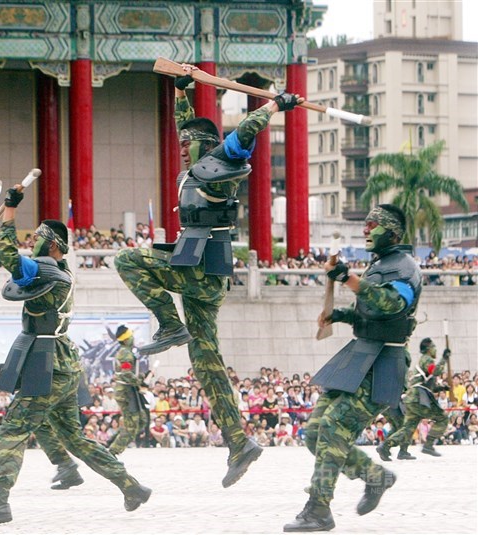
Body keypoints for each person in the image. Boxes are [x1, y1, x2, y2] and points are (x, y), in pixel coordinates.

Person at [115, 64, 302, 488]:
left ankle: (168, 324)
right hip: (196, 264)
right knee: (207, 363)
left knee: (127, 261)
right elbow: (189, 127)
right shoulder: (197, 166)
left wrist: (273, 104)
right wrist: (182, 91)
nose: (182, 151)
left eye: (188, 146)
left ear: (205, 146)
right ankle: (239, 442)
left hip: (202, 269)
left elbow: (245, 133)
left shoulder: (222, 161)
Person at [0, 186, 150, 526]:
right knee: (75, 439)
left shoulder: (48, 270)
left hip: (47, 362)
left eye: (39, 239)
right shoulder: (58, 272)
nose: (33, 242)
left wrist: (10, 212)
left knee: (12, 431)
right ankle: (131, 486)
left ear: (55, 246)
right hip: (60, 363)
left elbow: (10, 259)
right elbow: (12, 259)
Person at [284, 204, 422, 532]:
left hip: (383, 362)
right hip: (360, 355)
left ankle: (318, 508)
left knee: (333, 429)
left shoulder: (404, 267)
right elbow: (372, 313)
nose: (365, 229)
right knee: (316, 433)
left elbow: (392, 305)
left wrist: (348, 278)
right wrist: (341, 315)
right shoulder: (382, 264)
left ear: (392, 232)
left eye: (372, 224)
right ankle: (376, 476)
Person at [378, 338, 451, 460]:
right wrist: (444, 358)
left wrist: (441, 388)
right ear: (429, 349)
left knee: (407, 429)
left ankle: (385, 446)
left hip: (412, 399)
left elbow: (429, 384)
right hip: (418, 398)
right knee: (442, 417)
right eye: (434, 348)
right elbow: (436, 371)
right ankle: (428, 445)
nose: (435, 350)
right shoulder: (427, 359)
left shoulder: (423, 361)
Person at [107, 325, 150, 456]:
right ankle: (112, 452)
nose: (133, 338)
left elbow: (129, 372)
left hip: (129, 390)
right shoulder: (125, 353)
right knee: (132, 426)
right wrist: (140, 382)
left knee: (141, 420)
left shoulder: (127, 352)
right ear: (126, 339)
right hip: (126, 392)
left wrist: (141, 376)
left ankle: (111, 442)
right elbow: (126, 373)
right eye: (130, 336)